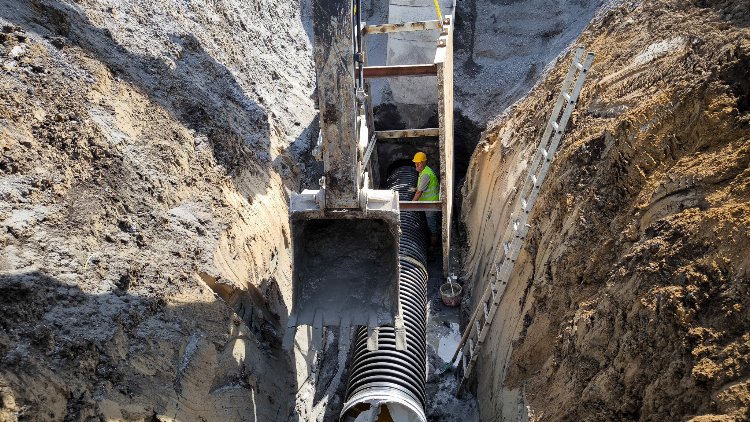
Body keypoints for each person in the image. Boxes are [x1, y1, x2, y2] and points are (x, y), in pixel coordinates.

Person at [411, 151, 440, 247]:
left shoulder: (426, 175)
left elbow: (419, 192)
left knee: (432, 228)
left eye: (418, 163)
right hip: (428, 203)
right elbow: (421, 188)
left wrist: (411, 205)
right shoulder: (425, 171)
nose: (416, 165)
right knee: (428, 224)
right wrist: (415, 189)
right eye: (415, 163)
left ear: (423, 163)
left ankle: (432, 249)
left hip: (431, 206)